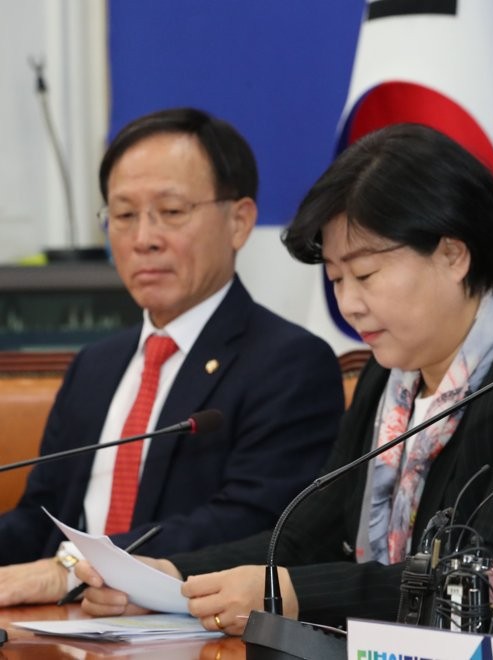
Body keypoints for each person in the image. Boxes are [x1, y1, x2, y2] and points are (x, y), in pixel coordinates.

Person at [75, 122, 493, 633]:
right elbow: (306, 534)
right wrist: (171, 577)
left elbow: (488, 582)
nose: (349, 305)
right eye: (336, 279)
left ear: (453, 254)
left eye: (365, 274)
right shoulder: (390, 380)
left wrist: (293, 592)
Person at [0, 108, 341, 606]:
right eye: (124, 215)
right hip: (59, 623)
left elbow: (254, 521)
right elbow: (38, 518)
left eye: (172, 211)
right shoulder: (94, 365)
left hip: (190, 629)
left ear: (239, 222)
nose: (144, 239)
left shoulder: (291, 363)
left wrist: (72, 569)